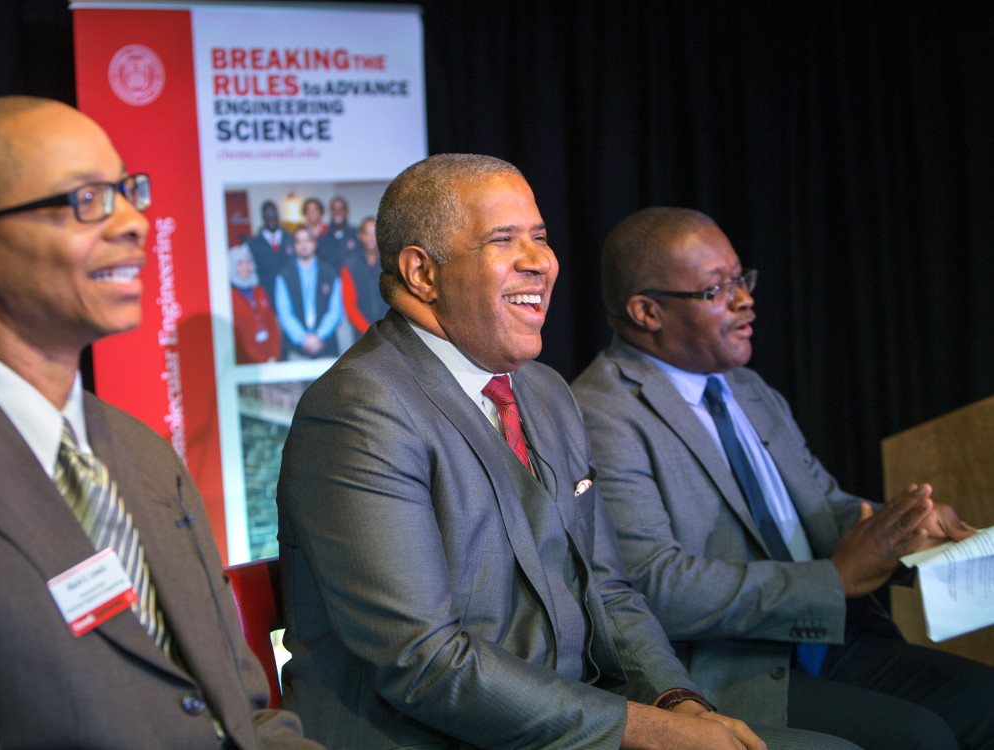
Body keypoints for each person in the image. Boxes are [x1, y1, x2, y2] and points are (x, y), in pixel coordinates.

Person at [276, 155, 856, 750]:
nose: (541, 262)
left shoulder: (545, 392)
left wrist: (678, 703)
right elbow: (424, 663)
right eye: (504, 240)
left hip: (578, 726)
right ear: (423, 273)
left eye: (542, 238)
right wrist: (652, 733)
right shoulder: (358, 411)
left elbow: (608, 589)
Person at [0, 96, 321, 750]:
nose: (135, 222)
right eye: (86, 199)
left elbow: (243, 713)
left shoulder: (139, 452)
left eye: (127, 191)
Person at [571, 206, 994, 750]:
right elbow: (655, 585)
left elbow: (822, 506)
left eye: (741, 279)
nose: (745, 299)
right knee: (923, 738)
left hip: (834, 639)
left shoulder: (747, 388)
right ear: (647, 311)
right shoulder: (600, 412)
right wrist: (834, 580)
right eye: (715, 290)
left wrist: (901, 531)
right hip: (731, 668)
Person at [272, 226, 343, 359]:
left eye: (307, 240)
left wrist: (319, 337)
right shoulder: (284, 275)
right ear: (294, 246)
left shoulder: (331, 273)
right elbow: (284, 312)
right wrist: (303, 339)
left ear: (315, 243)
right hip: (296, 348)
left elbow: (336, 310)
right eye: (299, 241)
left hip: (326, 345)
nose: (303, 245)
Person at [230, 243, 281, 364]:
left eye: (248, 262)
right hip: (247, 363)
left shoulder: (260, 291)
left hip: (271, 361)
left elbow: (272, 325)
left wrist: (274, 356)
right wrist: (257, 361)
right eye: (240, 263)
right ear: (232, 267)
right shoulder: (229, 297)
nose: (246, 267)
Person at [340, 216, 388, 335]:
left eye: (375, 233)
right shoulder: (349, 266)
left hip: (389, 333)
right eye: (367, 233)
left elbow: (397, 300)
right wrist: (368, 331)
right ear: (360, 236)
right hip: (362, 334)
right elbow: (350, 306)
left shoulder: (391, 264)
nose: (372, 238)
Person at [245, 200, 293, 293]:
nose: (271, 217)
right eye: (267, 214)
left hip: (290, 292)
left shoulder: (291, 239)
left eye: (274, 213)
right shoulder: (253, 243)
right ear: (262, 217)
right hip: (265, 294)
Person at [315, 195, 361, 271]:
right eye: (334, 209)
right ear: (330, 212)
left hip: (352, 280)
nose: (338, 212)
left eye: (341, 209)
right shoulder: (322, 237)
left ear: (346, 212)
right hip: (330, 280)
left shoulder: (356, 235)